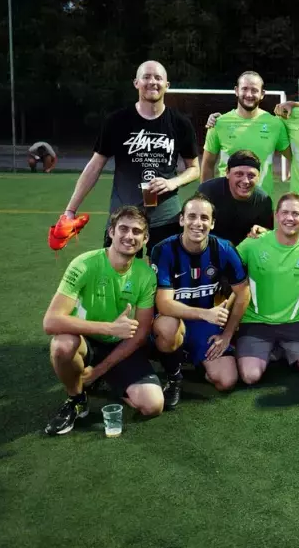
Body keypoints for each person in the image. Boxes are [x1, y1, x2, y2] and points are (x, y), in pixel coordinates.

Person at [42, 206, 163, 436]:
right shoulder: (85, 263)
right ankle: (77, 400)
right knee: (62, 344)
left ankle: (103, 377)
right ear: (111, 232)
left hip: (119, 345)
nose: (129, 236)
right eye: (123, 229)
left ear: (145, 238)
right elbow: (51, 321)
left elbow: (139, 335)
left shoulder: (146, 275)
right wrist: (109, 327)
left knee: (153, 405)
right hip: (85, 341)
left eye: (137, 232)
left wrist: (98, 371)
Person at [59, 61, 200, 251]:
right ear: (136, 83)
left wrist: (172, 182)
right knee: (114, 273)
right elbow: (94, 166)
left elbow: (194, 169)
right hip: (123, 217)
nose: (152, 82)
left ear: (167, 85)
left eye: (158, 78)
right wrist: (70, 210)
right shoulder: (117, 121)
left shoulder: (181, 124)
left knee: (164, 278)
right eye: (146, 77)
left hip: (165, 218)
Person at [150, 194, 250, 404]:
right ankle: (174, 376)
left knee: (227, 380)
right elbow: (164, 304)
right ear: (181, 220)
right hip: (175, 320)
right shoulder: (163, 250)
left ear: (212, 223)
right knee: (168, 327)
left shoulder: (223, 248)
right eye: (192, 216)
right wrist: (206, 313)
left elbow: (243, 292)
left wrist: (228, 334)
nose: (198, 223)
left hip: (205, 325)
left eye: (204, 218)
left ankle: (192, 359)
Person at [235, 193, 299, 384]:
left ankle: (278, 351)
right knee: (250, 376)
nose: (289, 218)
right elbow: (225, 267)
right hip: (256, 323)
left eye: (296, 213)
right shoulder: (253, 243)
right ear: (276, 216)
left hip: (295, 323)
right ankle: (272, 350)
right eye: (285, 213)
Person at [200, 71, 289, 193]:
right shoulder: (219, 123)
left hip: (261, 203)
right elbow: (208, 165)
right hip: (226, 202)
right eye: (245, 89)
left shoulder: (275, 124)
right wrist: (205, 198)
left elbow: (294, 158)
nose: (249, 94)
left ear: (262, 94)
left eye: (254, 90)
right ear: (236, 90)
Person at [197, 150, 274, 246]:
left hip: (245, 252)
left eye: (251, 175)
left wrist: (262, 231)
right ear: (227, 173)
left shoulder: (263, 200)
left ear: (258, 176)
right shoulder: (207, 192)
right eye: (239, 174)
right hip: (211, 249)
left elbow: (270, 233)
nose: (245, 181)